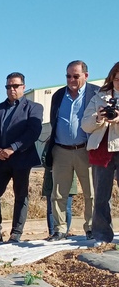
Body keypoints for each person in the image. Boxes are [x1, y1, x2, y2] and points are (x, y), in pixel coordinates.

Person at [0, 72, 43, 243]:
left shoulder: (34, 108)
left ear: (23, 87)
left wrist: (13, 148)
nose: (11, 89)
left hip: (21, 159)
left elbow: (33, 132)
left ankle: (16, 232)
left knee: (20, 195)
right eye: (8, 86)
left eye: (15, 86)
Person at [45, 61, 99, 241]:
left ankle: (91, 227)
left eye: (76, 76)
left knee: (91, 192)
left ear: (86, 75)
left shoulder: (95, 93)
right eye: (68, 76)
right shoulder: (59, 95)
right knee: (58, 193)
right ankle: (60, 229)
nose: (71, 80)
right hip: (61, 151)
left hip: (86, 150)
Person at [81, 61, 119, 247]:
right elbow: (85, 125)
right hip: (102, 151)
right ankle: (102, 236)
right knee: (102, 196)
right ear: (111, 79)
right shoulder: (99, 97)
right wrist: (98, 117)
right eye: (117, 78)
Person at [42, 167, 76, 236]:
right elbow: (44, 157)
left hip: (68, 175)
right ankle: (52, 233)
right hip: (50, 177)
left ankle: (65, 233)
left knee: (67, 208)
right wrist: (49, 164)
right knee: (51, 208)